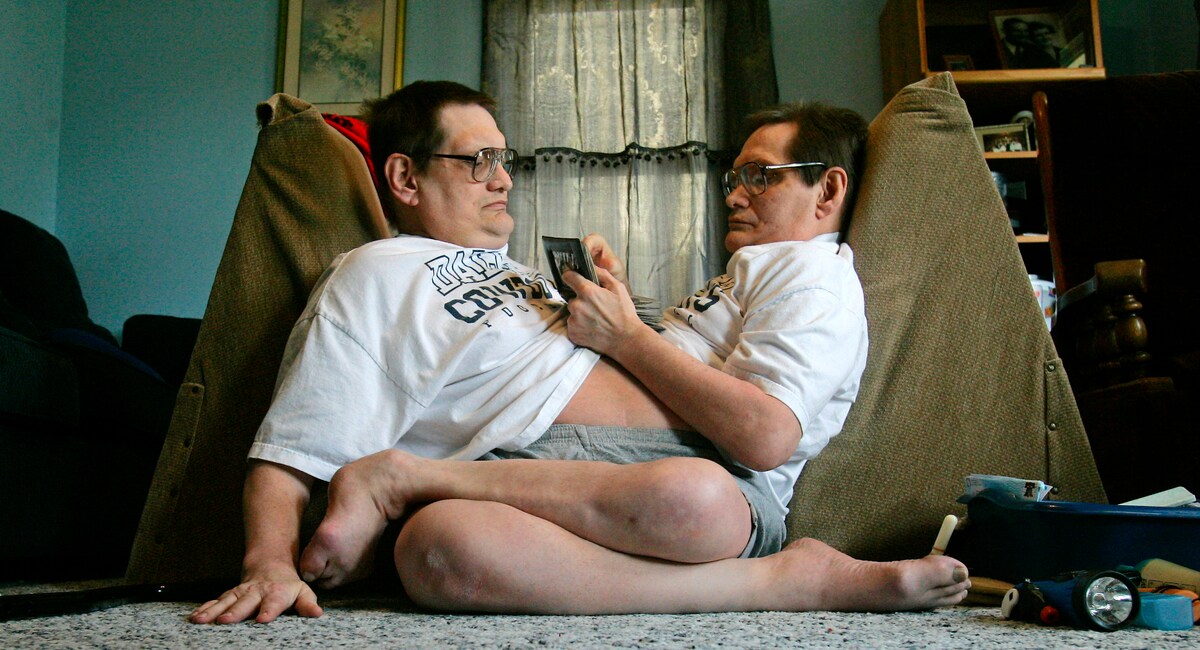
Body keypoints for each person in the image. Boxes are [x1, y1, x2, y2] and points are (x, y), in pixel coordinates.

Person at [189, 81, 970, 624]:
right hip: (539, 470)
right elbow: (298, 434)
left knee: (695, 500)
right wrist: (269, 561)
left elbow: (746, 418)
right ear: (405, 177)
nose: (504, 180)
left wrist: (618, 319)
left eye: (506, 160)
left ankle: (409, 479)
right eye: (477, 161)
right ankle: (772, 581)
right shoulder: (373, 273)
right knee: (437, 551)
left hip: (674, 477)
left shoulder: (529, 274)